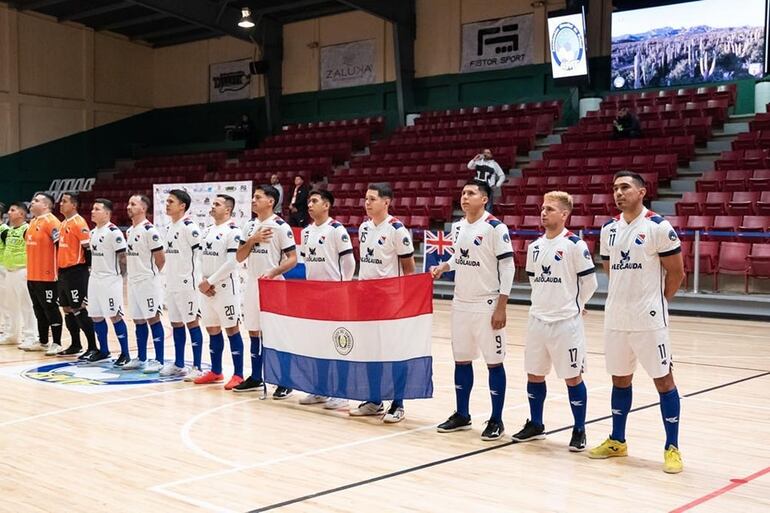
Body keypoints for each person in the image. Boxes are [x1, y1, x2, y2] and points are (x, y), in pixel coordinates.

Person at [589, 171, 685, 474]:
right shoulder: (608, 229)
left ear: (642, 192)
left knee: (663, 380)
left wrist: (657, 302)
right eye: (615, 188)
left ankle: (672, 447)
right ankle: (618, 440)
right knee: (620, 379)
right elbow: (611, 270)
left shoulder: (658, 227)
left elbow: (677, 273)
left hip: (650, 320)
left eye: (625, 187)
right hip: (617, 318)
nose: (618, 193)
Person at [510, 191, 598, 451]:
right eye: (543, 208)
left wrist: (576, 305)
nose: (543, 212)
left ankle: (579, 429)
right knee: (534, 374)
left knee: (572, 377)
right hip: (538, 320)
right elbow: (534, 279)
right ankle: (536, 424)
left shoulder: (574, 245)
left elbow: (589, 282)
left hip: (565, 323)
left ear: (564, 214)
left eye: (550, 209)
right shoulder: (535, 247)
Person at [431, 180, 514, 441]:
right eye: (463, 193)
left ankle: (497, 419)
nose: (464, 197)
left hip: (487, 304)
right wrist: (445, 266)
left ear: (485, 199)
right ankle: (462, 414)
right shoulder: (458, 226)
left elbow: (508, 267)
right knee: (462, 360)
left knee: (494, 362)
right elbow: (460, 255)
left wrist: (502, 306)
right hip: (461, 303)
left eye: (471, 193)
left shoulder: (495, 228)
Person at [350, 183, 416, 423]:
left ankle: (398, 403)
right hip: (367, 298)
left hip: (390, 301)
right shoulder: (364, 227)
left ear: (386, 202)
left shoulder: (397, 229)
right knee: (371, 350)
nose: (367, 203)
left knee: (393, 352)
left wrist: (405, 300)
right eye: (366, 198)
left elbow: (409, 269)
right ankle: (375, 400)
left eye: (372, 199)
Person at [234, 185, 297, 397]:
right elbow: (239, 257)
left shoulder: (281, 226)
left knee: (276, 334)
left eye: (258, 197)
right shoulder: (249, 225)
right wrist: (252, 240)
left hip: (274, 284)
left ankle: (284, 380)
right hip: (252, 283)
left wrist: (274, 271)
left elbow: (292, 259)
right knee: (253, 331)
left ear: (271, 201)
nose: (253, 200)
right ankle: (255, 376)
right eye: (253, 197)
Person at [298, 190, 356, 409]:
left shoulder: (336, 230)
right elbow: (307, 263)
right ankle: (320, 389)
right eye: (309, 201)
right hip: (314, 296)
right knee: (317, 345)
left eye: (314, 201)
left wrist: (343, 286)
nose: (310, 205)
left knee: (337, 344)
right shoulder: (306, 232)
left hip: (335, 296)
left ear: (327, 205)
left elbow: (349, 262)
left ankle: (341, 393)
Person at [193, 195, 246, 390]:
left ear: (228, 210)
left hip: (224, 289)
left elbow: (232, 262)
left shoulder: (234, 231)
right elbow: (198, 258)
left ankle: (239, 374)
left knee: (231, 329)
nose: (212, 207)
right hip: (207, 290)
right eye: (212, 203)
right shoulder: (206, 231)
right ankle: (216, 371)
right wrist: (201, 281)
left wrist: (210, 282)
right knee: (212, 329)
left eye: (217, 204)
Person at [161, 189, 205, 379]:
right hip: (172, 283)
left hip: (188, 284)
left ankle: (197, 367)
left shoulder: (190, 227)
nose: (167, 204)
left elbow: (200, 255)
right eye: (167, 201)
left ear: (182, 206)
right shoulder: (169, 227)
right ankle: (179, 364)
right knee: (176, 323)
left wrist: (200, 280)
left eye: (171, 201)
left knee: (192, 323)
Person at [121, 195, 166, 372]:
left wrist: (150, 276)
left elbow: (161, 260)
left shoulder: (150, 230)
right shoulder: (130, 231)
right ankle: (141, 358)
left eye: (133, 204)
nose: (128, 207)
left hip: (147, 282)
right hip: (132, 283)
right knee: (138, 320)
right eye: (128, 203)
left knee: (153, 319)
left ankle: (159, 360)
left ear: (143, 208)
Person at [86, 199, 130, 363]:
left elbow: (123, 258)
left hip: (110, 280)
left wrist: (119, 278)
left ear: (107, 213)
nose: (92, 211)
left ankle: (125, 353)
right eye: (92, 208)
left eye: (96, 209)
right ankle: (103, 351)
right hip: (95, 279)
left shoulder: (114, 232)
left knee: (115, 316)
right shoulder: (92, 233)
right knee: (96, 316)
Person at [56, 192, 99, 358]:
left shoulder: (79, 222)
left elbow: (88, 249)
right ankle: (75, 344)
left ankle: (93, 347)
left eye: (65, 201)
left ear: (74, 205)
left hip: (76, 271)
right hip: (64, 272)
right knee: (66, 309)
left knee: (79, 308)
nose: (61, 204)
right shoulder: (63, 223)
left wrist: (89, 271)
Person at [25, 193, 64, 354]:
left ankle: (57, 342)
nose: (32, 203)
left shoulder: (52, 222)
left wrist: (59, 272)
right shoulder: (33, 222)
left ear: (46, 205)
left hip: (48, 276)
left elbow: (60, 247)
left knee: (50, 308)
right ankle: (42, 341)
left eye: (36, 201)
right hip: (32, 275)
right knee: (38, 309)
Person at [3, 202, 37, 349]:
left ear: (22, 214)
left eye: (12, 210)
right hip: (9, 271)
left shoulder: (27, 229)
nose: (9, 213)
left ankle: (31, 336)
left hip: (23, 270)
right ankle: (12, 335)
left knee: (26, 305)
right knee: (11, 305)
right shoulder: (10, 230)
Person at [467, 149, 506, 214]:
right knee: (476, 204)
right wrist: (474, 159)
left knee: (488, 206)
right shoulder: (478, 162)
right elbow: (469, 166)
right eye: (485, 153)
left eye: (488, 153)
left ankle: (486, 222)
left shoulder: (494, 164)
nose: (487, 154)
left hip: (488, 187)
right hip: (477, 186)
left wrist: (496, 185)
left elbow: (502, 176)